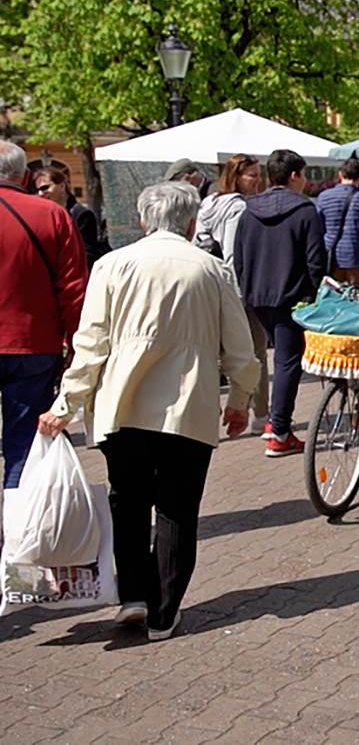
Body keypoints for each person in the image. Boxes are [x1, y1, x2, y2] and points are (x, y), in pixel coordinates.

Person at [38, 181, 258, 640]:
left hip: (124, 404)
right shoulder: (213, 270)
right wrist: (240, 399)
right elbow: (240, 348)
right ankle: (164, 609)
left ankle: (134, 596)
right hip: (188, 406)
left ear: (142, 219)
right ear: (192, 222)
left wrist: (66, 404)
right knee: (178, 508)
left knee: (129, 501)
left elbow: (90, 343)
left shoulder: (112, 265)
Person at [0, 142, 88, 489]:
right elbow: (74, 290)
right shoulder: (51, 215)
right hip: (34, 342)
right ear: (25, 175)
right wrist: (76, 346)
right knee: (25, 446)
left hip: (31, 342)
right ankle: (22, 530)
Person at [234, 149, 326, 457]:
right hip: (292, 297)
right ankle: (280, 430)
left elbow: (240, 256)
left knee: (275, 358)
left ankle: (275, 421)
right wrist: (314, 296)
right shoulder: (305, 211)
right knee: (287, 362)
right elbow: (316, 260)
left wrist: (248, 290)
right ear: (294, 176)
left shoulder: (249, 210)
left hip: (257, 296)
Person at [194, 154, 271, 432]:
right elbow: (232, 254)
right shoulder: (238, 208)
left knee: (214, 354)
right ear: (236, 176)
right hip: (237, 290)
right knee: (255, 352)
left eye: (258, 174)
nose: (257, 180)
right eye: (251, 174)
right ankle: (260, 415)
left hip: (209, 287)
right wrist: (240, 293)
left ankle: (204, 414)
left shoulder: (209, 203)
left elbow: (199, 243)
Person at [316, 157, 359, 288]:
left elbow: (318, 230)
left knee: (332, 302)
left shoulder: (324, 198)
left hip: (331, 260)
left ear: (340, 174)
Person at [31, 165, 109, 268]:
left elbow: (88, 254)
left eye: (45, 187)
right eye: (38, 190)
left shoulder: (81, 215)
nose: (41, 193)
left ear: (62, 186)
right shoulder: (42, 216)